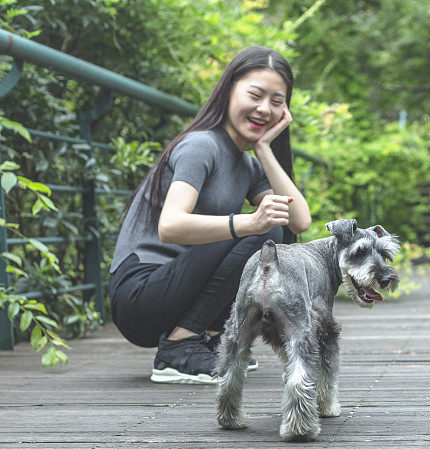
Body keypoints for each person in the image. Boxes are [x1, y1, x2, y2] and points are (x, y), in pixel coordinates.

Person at [109, 47, 311, 384]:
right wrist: (249, 223)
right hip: (140, 296)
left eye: (277, 101)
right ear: (229, 89)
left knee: (276, 228)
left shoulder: (248, 164)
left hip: (176, 291)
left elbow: (299, 221)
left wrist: (263, 149)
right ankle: (179, 346)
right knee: (262, 231)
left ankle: (212, 340)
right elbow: (170, 226)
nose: (265, 108)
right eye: (255, 94)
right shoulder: (201, 145)